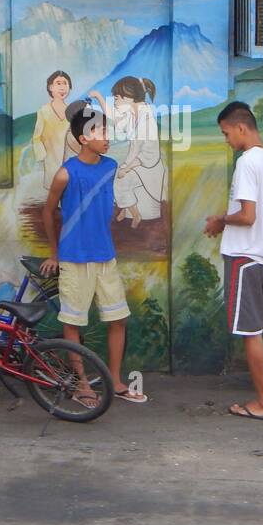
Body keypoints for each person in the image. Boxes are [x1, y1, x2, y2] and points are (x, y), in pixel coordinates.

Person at [41, 101, 147, 405]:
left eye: (107, 130)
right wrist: (54, 252)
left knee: (118, 319)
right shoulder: (65, 174)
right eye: (100, 131)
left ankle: (114, 380)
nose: (107, 136)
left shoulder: (111, 166)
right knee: (72, 323)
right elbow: (48, 212)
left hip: (105, 257)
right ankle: (82, 384)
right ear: (83, 138)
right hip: (74, 259)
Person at [203, 100, 263, 420]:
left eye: (226, 133)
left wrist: (219, 220)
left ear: (241, 128)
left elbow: (246, 216)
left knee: (251, 332)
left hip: (245, 257)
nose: (226, 140)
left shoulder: (247, 162)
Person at [90, 76, 167, 228]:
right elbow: (112, 117)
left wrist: (128, 168)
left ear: (129, 98)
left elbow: (150, 154)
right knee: (117, 174)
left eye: (117, 98)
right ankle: (126, 210)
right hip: (136, 160)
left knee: (122, 180)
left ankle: (136, 215)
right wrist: (99, 97)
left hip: (147, 166)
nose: (115, 102)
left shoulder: (147, 118)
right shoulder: (131, 114)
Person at [31, 70, 81, 191]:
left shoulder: (73, 111)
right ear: (50, 87)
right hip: (51, 157)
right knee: (55, 185)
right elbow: (37, 137)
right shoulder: (44, 111)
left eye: (65, 84)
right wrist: (42, 155)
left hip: (71, 155)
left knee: (71, 184)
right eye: (58, 83)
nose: (62, 87)